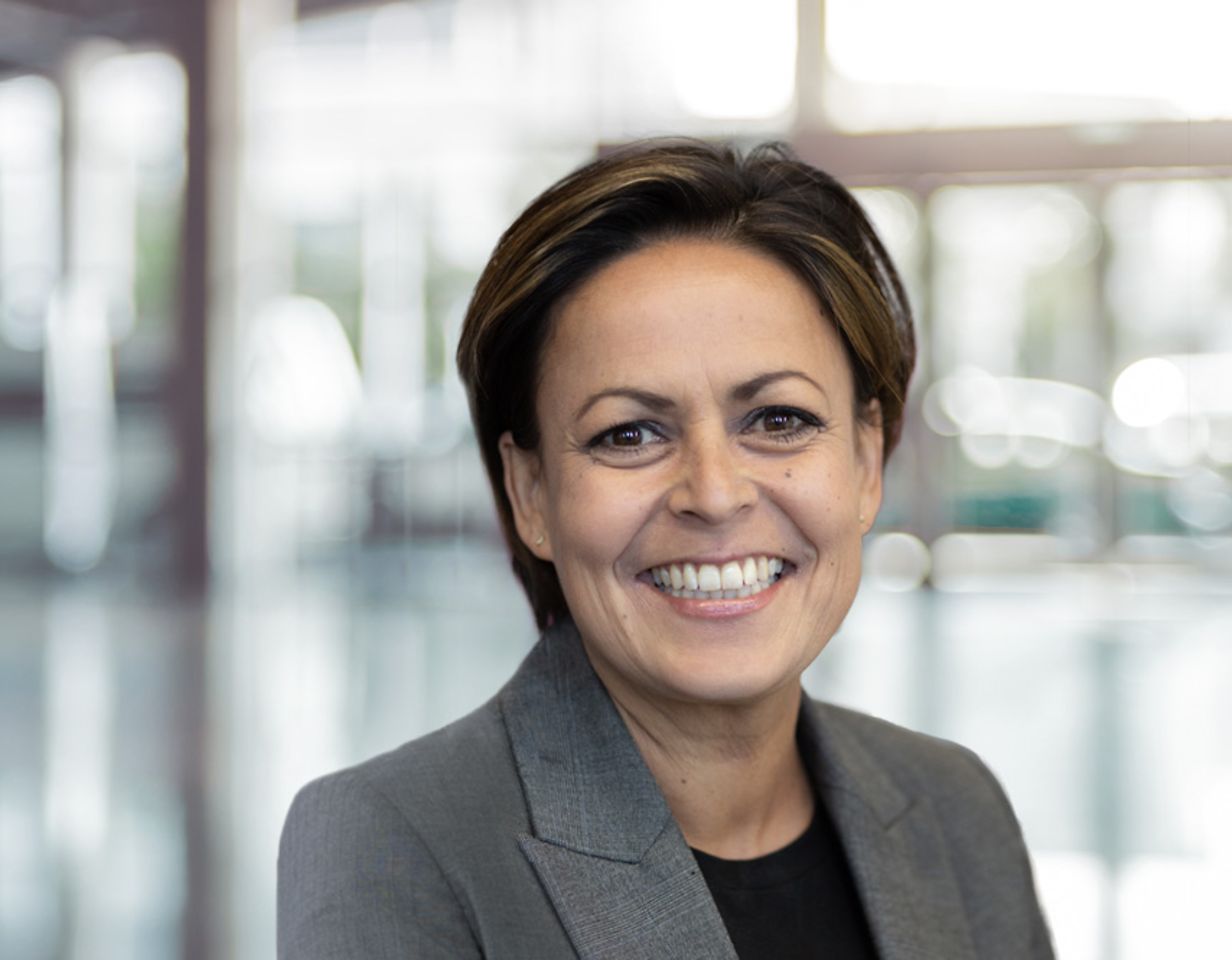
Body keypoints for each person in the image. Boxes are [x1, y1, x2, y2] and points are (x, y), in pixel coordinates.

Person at [278, 139, 1054, 960]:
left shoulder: (954, 806)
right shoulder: (393, 844)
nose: (715, 494)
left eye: (779, 419)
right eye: (630, 433)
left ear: (867, 460)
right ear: (531, 493)